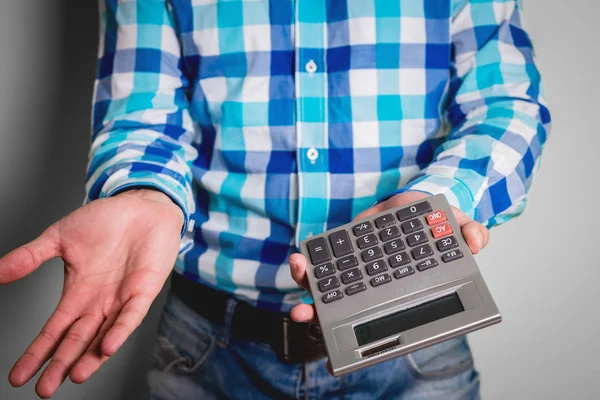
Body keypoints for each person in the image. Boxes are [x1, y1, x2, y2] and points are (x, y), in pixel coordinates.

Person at [1, 0, 550, 398]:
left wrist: (437, 200)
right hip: (208, 351)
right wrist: (145, 193)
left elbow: (504, 104)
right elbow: (141, 113)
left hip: (412, 341)